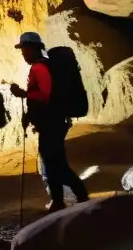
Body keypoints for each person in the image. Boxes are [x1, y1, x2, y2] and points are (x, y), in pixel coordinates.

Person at [9, 31, 90, 213]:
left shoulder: (39, 68)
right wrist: (29, 114)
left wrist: (24, 94)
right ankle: (61, 199)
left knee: (54, 162)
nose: (23, 54)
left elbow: (46, 94)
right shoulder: (42, 66)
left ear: (33, 48)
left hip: (52, 123)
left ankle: (74, 197)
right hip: (52, 121)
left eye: (24, 50)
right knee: (54, 161)